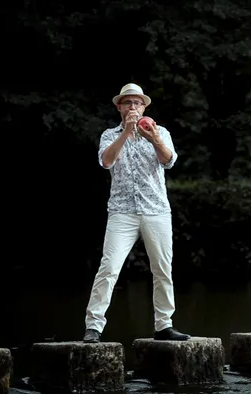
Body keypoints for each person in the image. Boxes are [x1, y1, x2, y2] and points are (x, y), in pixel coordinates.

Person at [82, 83, 191, 343]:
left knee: (163, 268)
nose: (133, 107)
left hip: (156, 210)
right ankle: (93, 327)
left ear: (144, 107)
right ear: (119, 107)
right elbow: (106, 161)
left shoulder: (160, 131)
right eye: (128, 103)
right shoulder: (110, 134)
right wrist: (127, 133)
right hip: (122, 211)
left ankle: (164, 325)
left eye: (137, 103)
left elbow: (169, 160)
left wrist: (153, 139)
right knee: (108, 268)